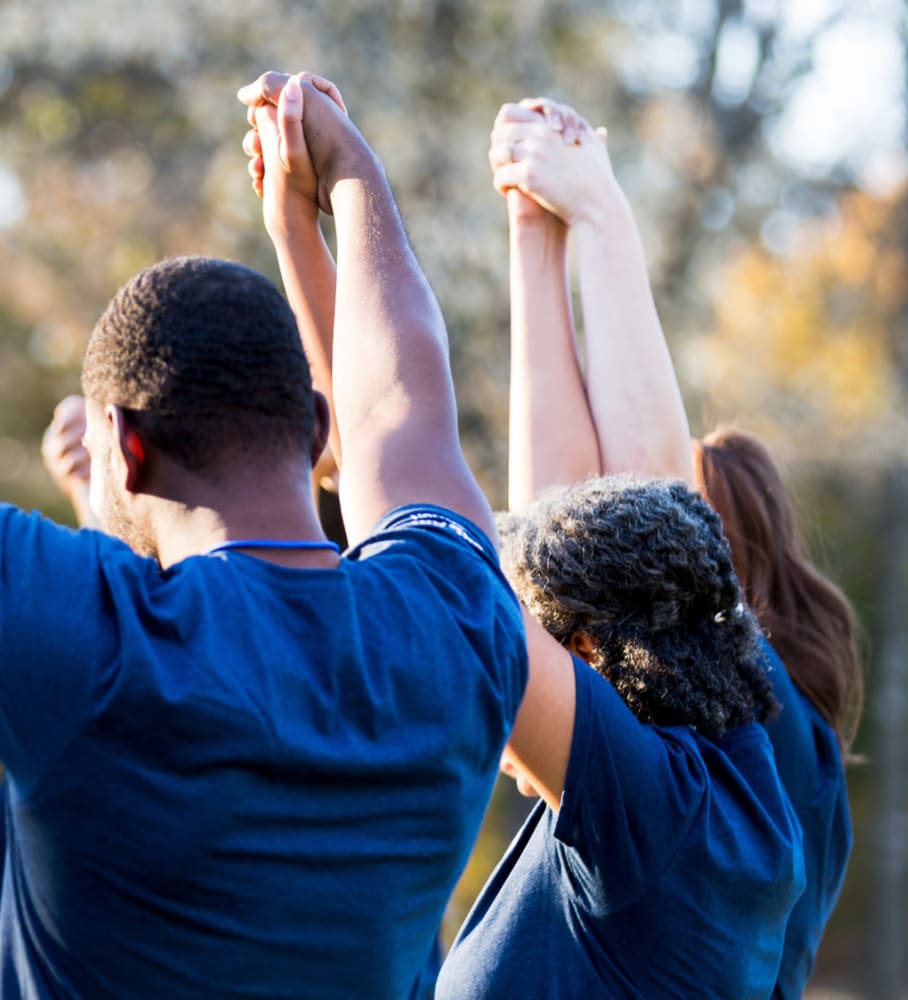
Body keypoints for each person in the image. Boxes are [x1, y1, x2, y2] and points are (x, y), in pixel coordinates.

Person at [0, 72, 527, 999]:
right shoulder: (453, 627)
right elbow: (404, 410)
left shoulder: (85, 639)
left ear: (125, 447)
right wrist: (347, 168)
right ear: (315, 430)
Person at [485, 96, 863, 996]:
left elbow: (620, 534)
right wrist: (531, 231)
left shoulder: (779, 737)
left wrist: (601, 223)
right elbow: (566, 550)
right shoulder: (714, 748)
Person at [435, 474, 805, 998]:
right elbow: (587, 539)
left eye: (540, 650)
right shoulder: (736, 779)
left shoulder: (649, 812)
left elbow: (444, 575)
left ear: (585, 651)